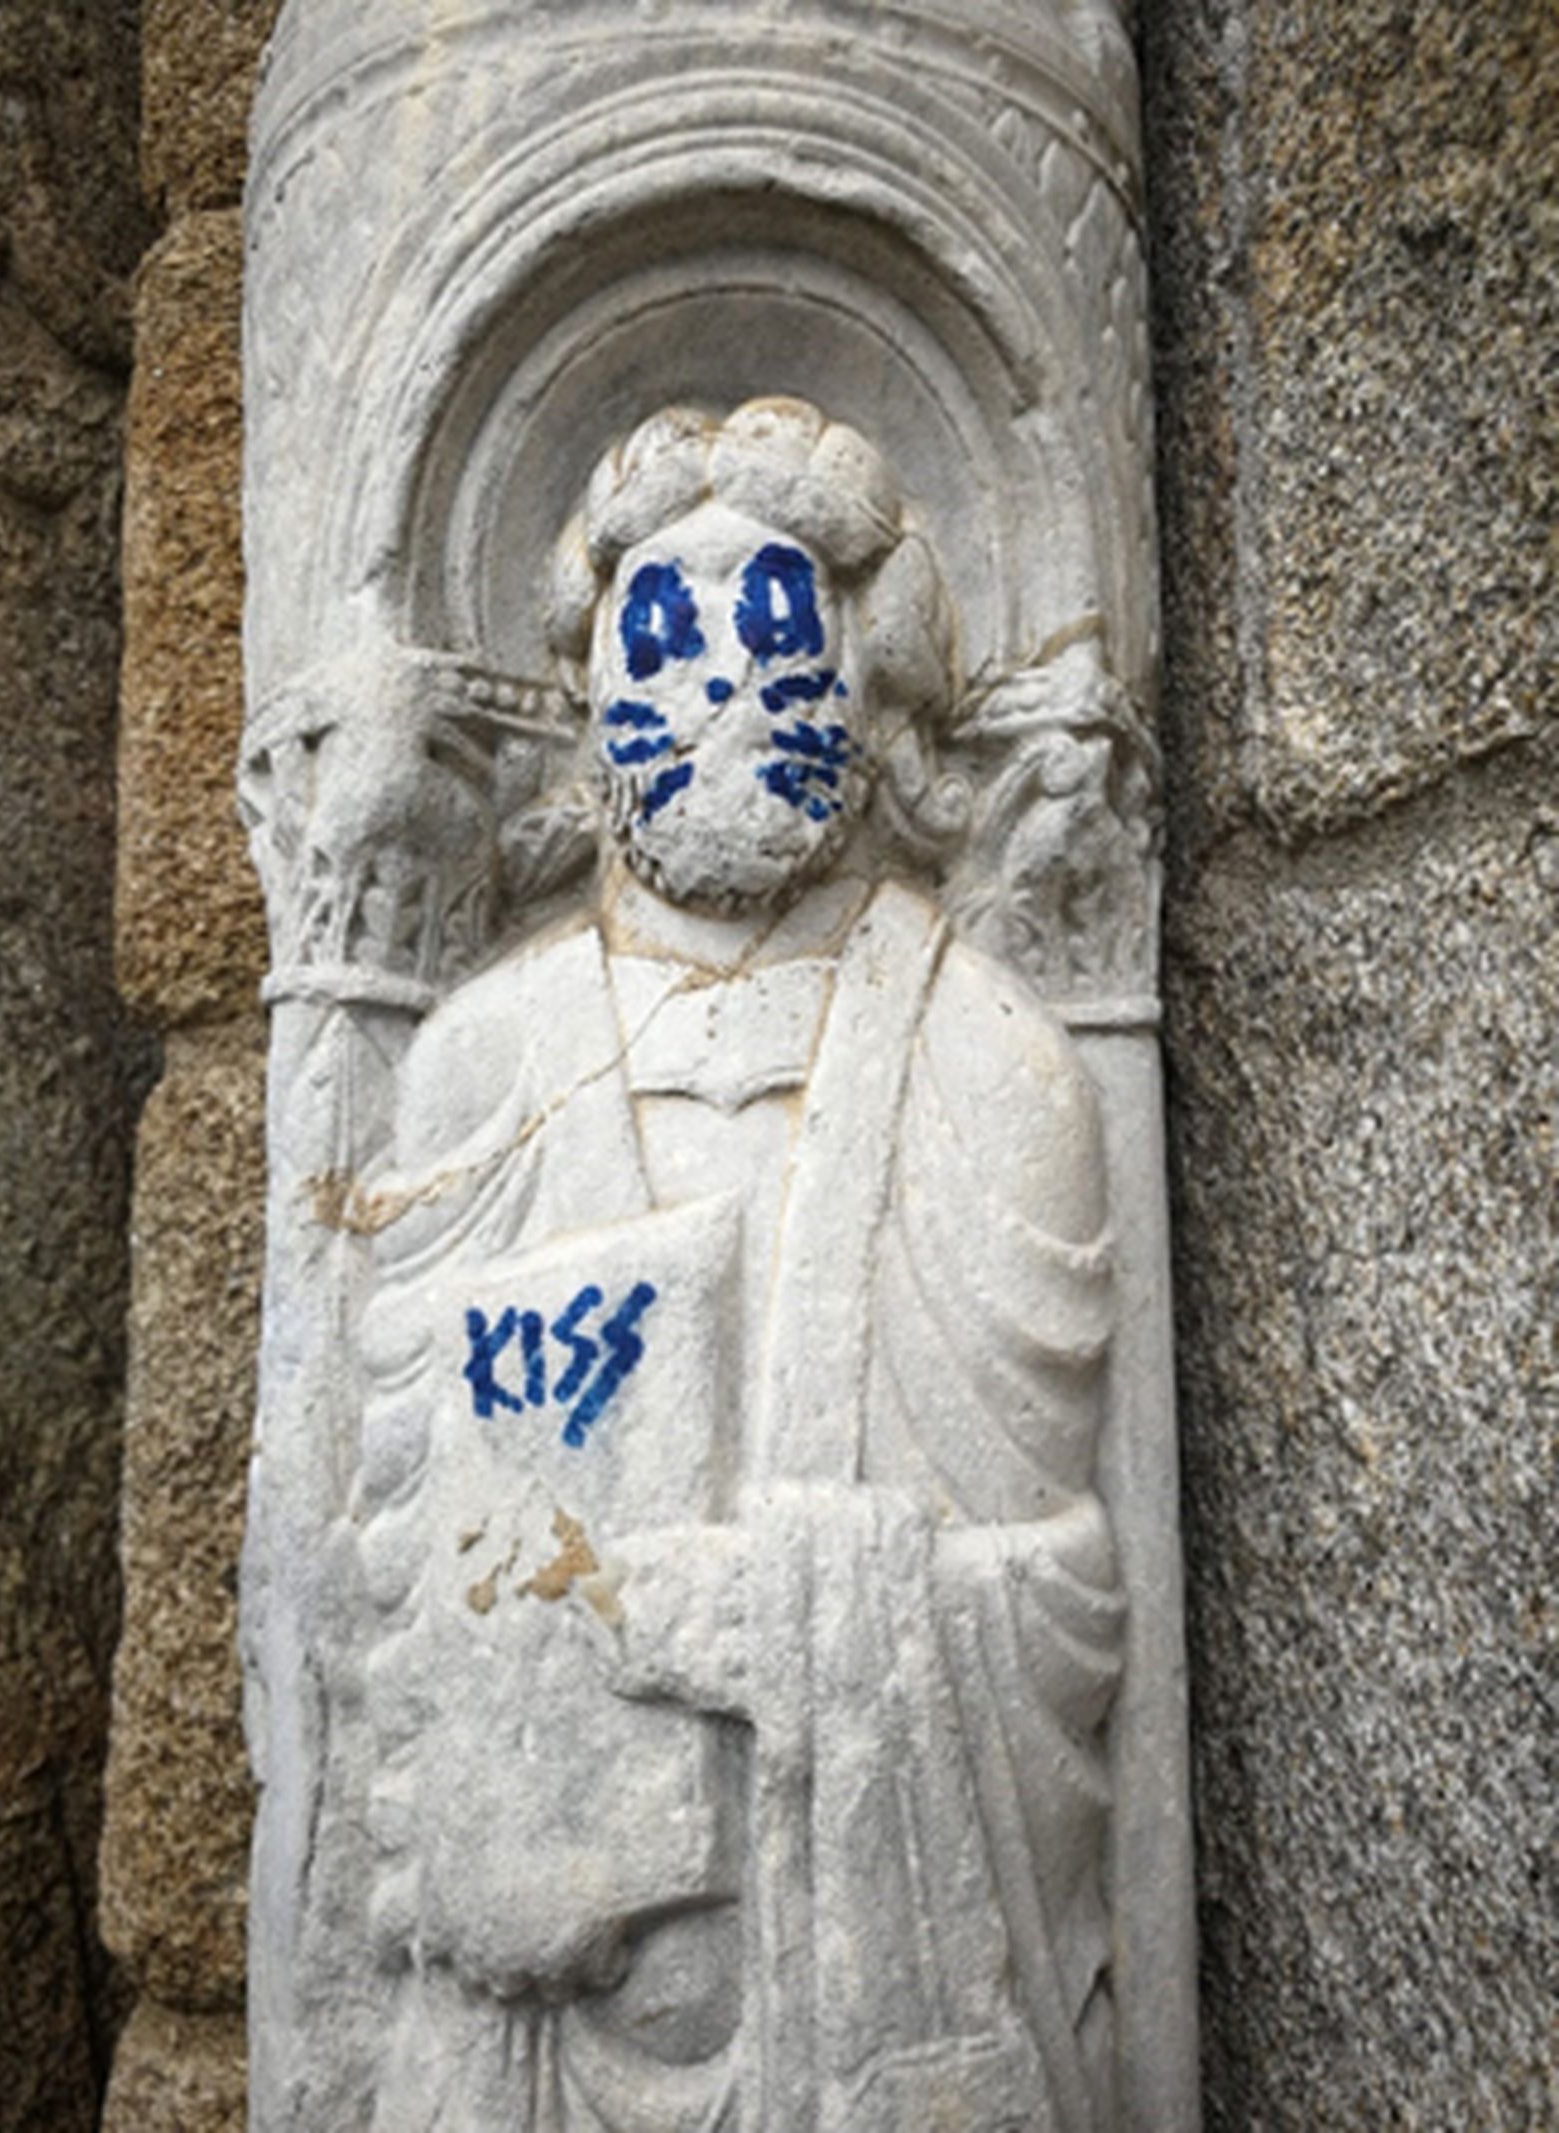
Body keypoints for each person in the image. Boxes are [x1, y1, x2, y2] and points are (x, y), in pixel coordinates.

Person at [352, 400, 1122, 2131]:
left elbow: (1068, 1594)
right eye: (663, 639)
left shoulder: (991, 1059)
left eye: (772, 638)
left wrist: (779, 1614)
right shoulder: (482, 1058)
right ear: (587, 705)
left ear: (871, 682)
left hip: (852, 2013)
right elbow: (400, 1544)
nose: (716, 686)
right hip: (539, 2023)